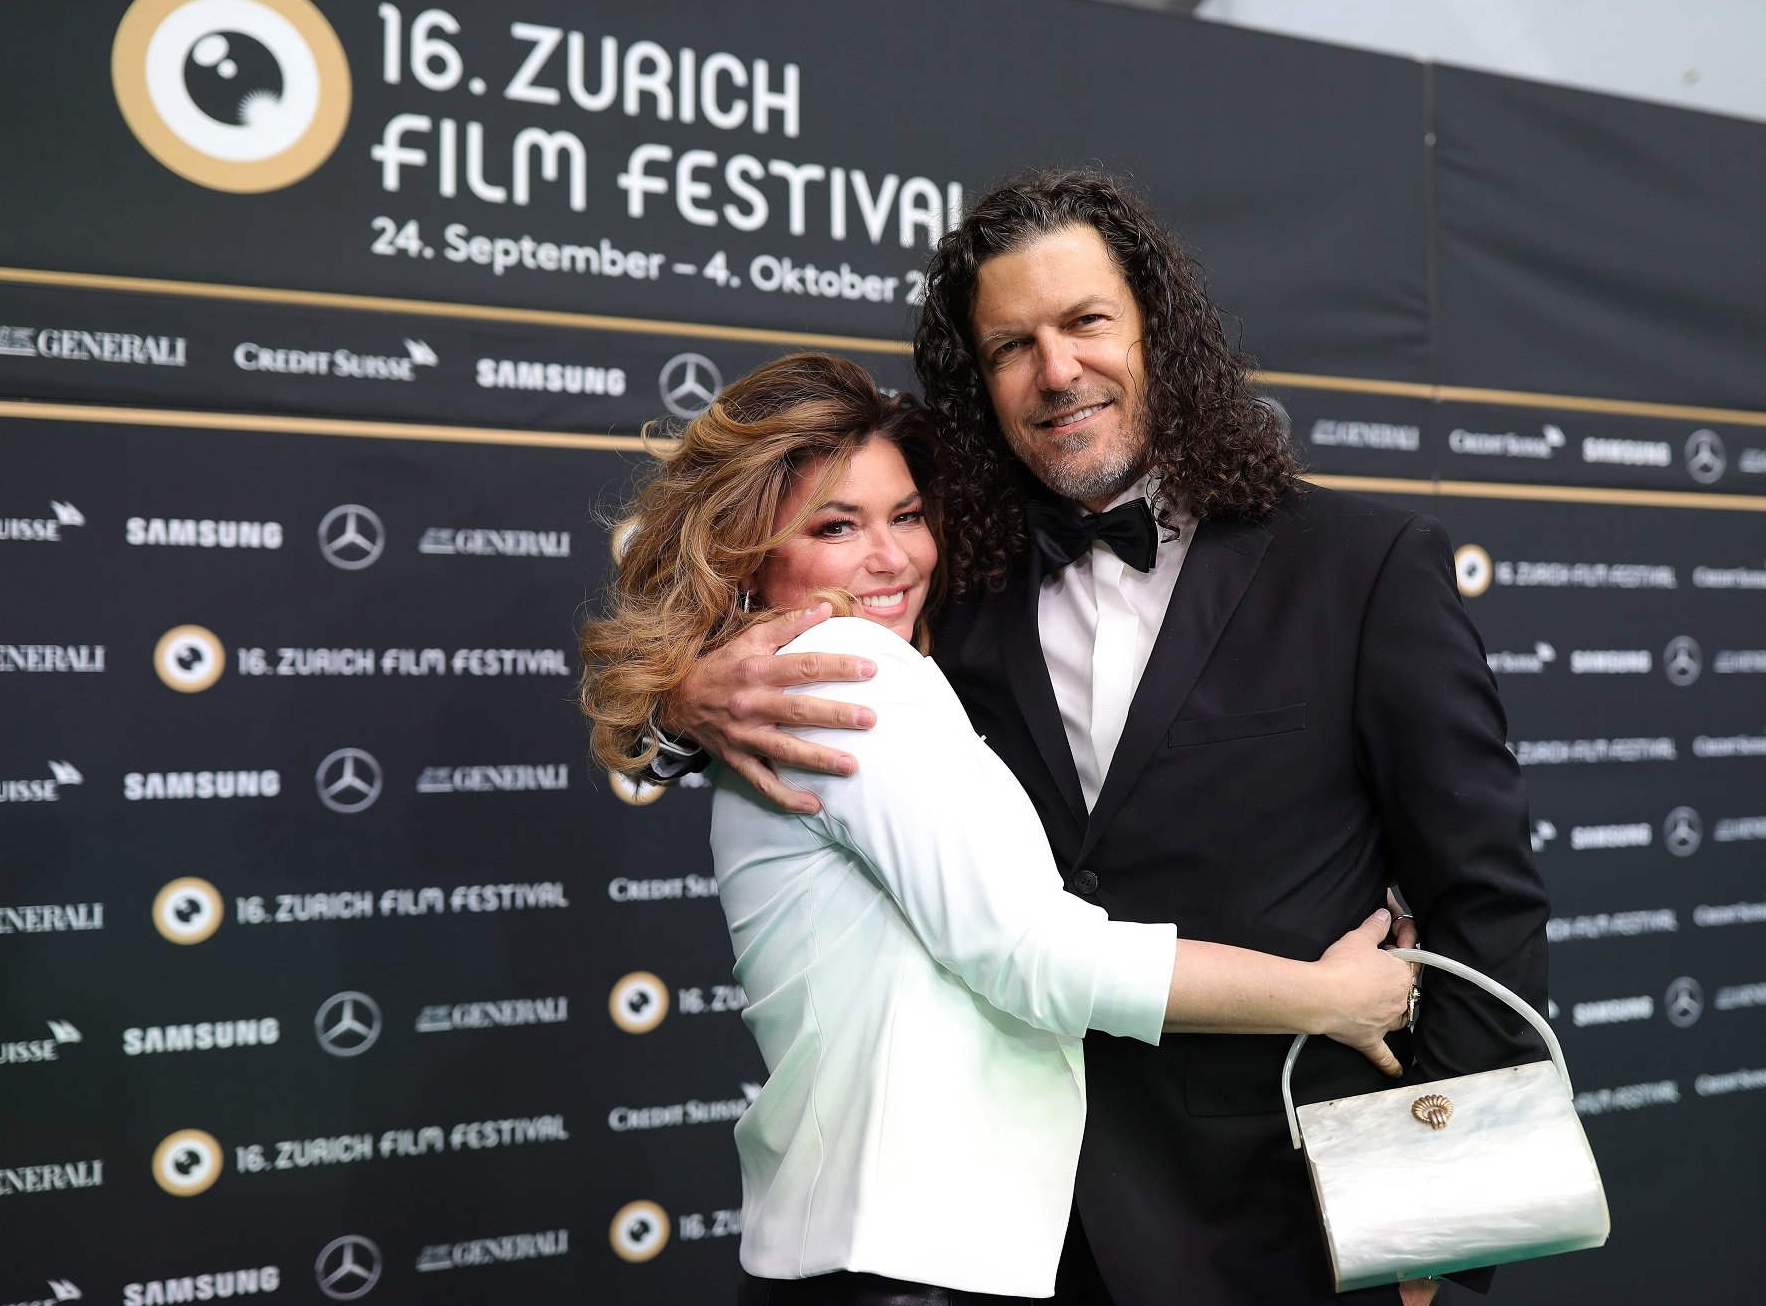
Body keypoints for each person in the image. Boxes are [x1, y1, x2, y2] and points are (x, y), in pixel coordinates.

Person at [657, 173, 1552, 1306]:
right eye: (1009, 347)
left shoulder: (1361, 567)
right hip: (1023, 1233)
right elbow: (787, 675)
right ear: (979, 384)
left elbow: (1484, 896)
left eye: (1084, 322)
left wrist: (1442, 1209)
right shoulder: (944, 584)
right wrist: (677, 702)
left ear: (1156, 333)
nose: (1056, 370)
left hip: (1284, 1220)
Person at [581, 352, 1418, 1305]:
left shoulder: (798, 670)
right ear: (746, 550)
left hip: (904, 1241)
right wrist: (1326, 997)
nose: (892, 557)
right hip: (913, 1258)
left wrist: (677, 701)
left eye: (905, 515)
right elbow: (1034, 953)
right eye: (835, 526)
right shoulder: (847, 664)